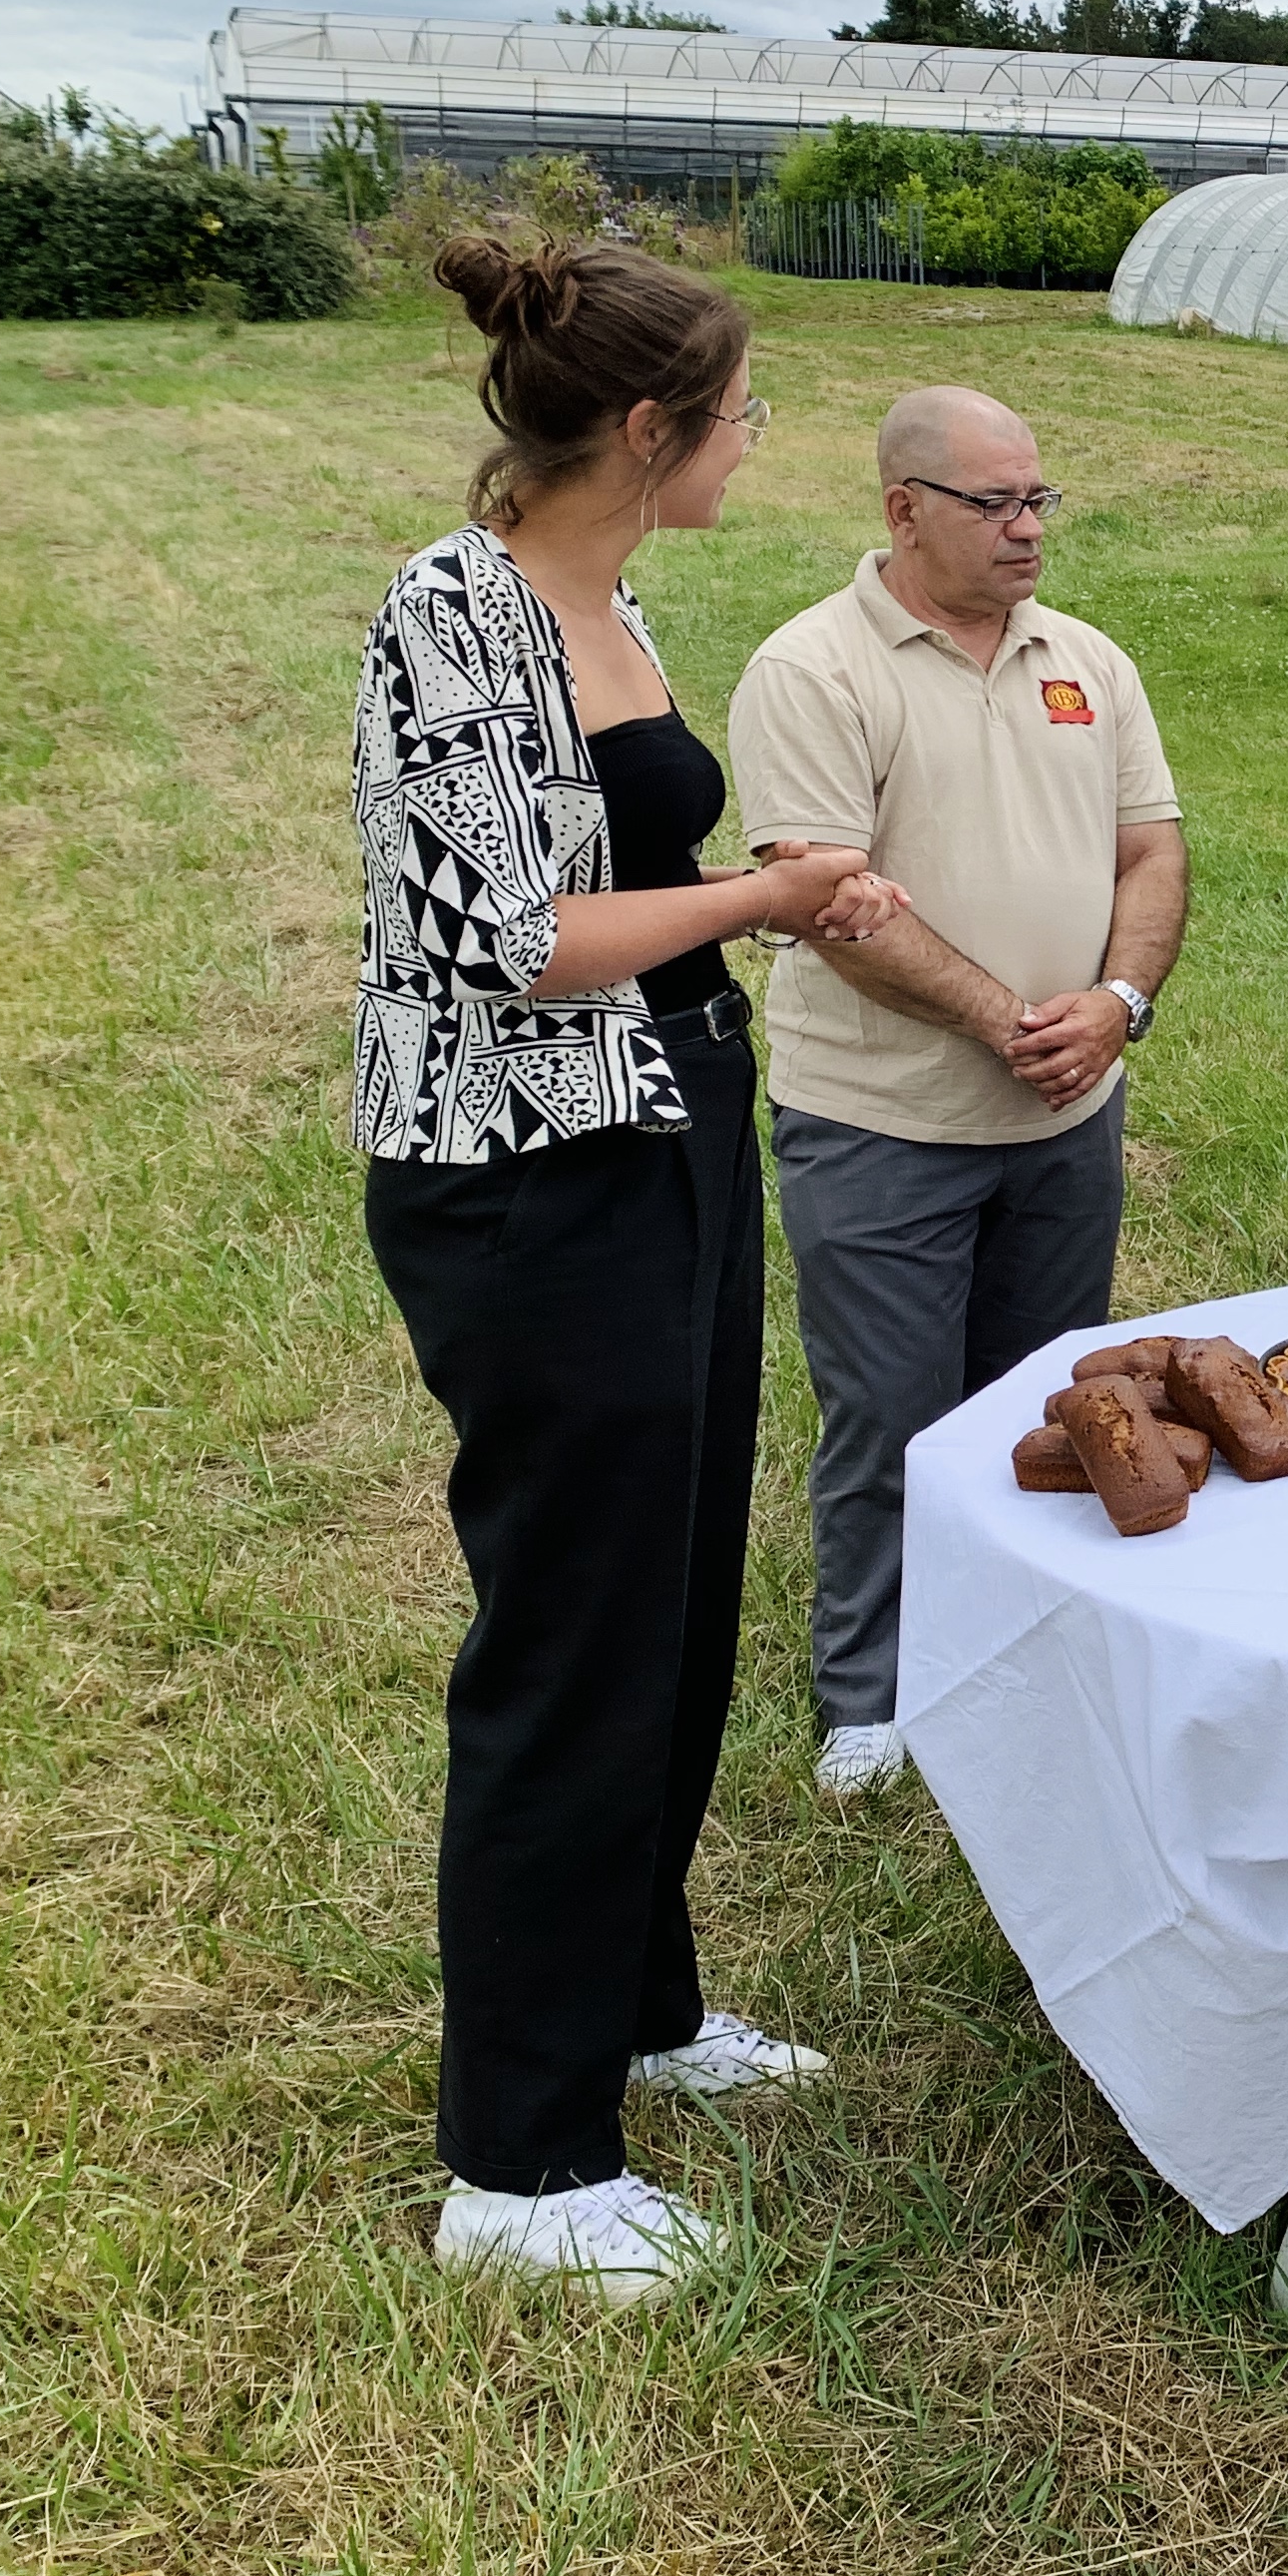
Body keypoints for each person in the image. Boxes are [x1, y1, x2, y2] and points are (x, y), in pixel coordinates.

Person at [356, 238, 892, 2298]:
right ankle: (520, 2165)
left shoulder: (609, 594)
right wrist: (769, 891)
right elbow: (520, 935)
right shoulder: (457, 611)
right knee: (570, 1636)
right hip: (522, 1178)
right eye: (744, 408)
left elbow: (638, 880)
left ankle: (640, 2013)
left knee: (668, 1603)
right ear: (652, 429)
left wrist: (771, 905)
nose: (762, 438)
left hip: (662, 1131)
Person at [726, 388, 1185, 1799]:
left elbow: (1152, 854)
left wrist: (1116, 1007)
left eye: (1040, 498)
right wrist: (1005, 1018)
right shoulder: (814, 671)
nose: (1028, 528)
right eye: (995, 504)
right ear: (902, 509)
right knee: (894, 1418)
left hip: (1065, 1114)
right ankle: (872, 1697)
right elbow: (831, 908)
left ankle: (1036, 1650)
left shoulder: (1086, 663)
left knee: (1057, 1404)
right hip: (883, 1124)